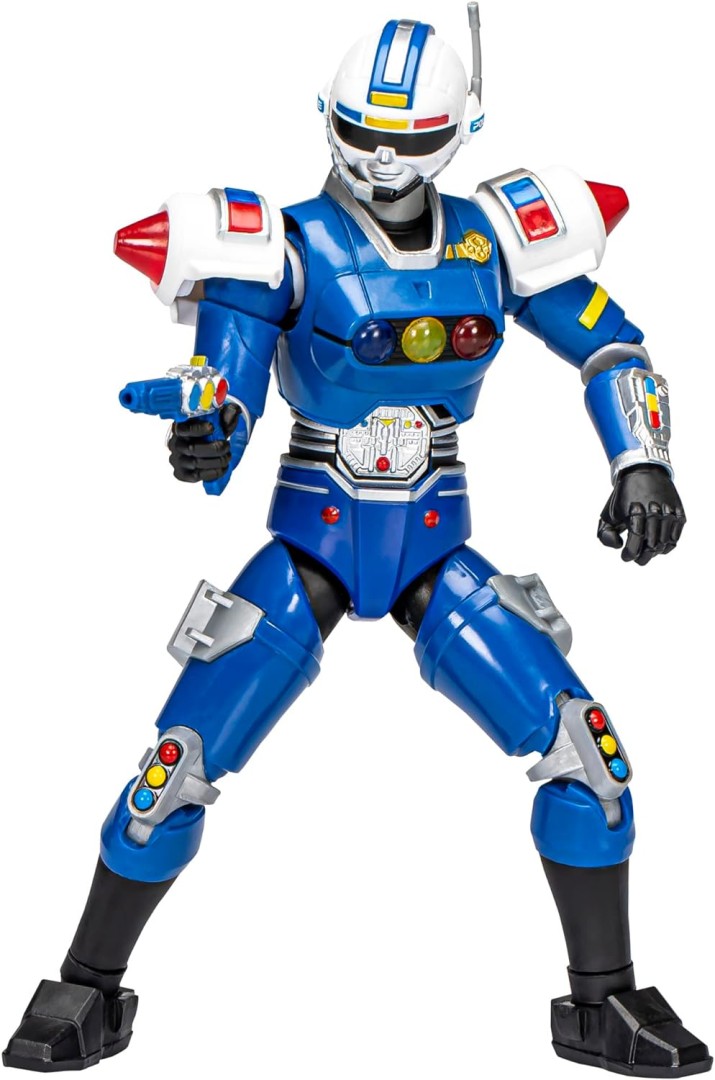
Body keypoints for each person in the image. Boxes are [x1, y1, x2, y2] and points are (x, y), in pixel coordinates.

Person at [4, 10, 710, 1075]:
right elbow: (229, 378)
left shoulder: (497, 239)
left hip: (435, 542)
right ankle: (85, 991)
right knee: (171, 774)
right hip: (313, 541)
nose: (383, 161)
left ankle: (601, 1004)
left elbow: (612, 343)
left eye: (411, 140)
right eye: (360, 133)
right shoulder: (277, 245)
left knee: (587, 756)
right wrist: (211, 426)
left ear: (462, 130)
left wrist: (639, 459)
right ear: (326, 119)